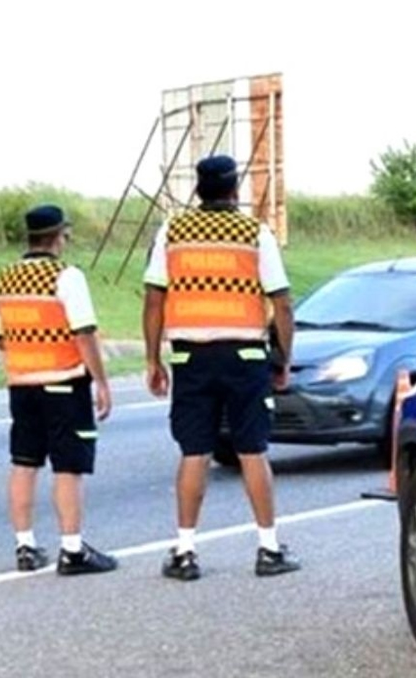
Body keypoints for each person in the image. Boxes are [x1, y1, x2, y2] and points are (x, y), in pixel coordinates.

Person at [142, 154, 300, 581]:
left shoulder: (172, 232)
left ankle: (185, 551)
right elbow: (282, 303)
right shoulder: (254, 234)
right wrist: (283, 358)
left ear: (198, 190)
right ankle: (269, 548)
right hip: (245, 357)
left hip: (190, 358)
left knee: (195, 451)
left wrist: (152, 359)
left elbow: (154, 300)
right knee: (252, 450)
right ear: (235, 190)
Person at [0, 204, 118, 576]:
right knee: (68, 466)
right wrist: (101, 381)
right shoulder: (66, 276)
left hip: (22, 385)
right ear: (62, 236)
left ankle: (25, 546)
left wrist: (27, 350)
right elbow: (84, 333)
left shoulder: (5, 277)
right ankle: (72, 550)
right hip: (64, 382)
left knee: (24, 462)